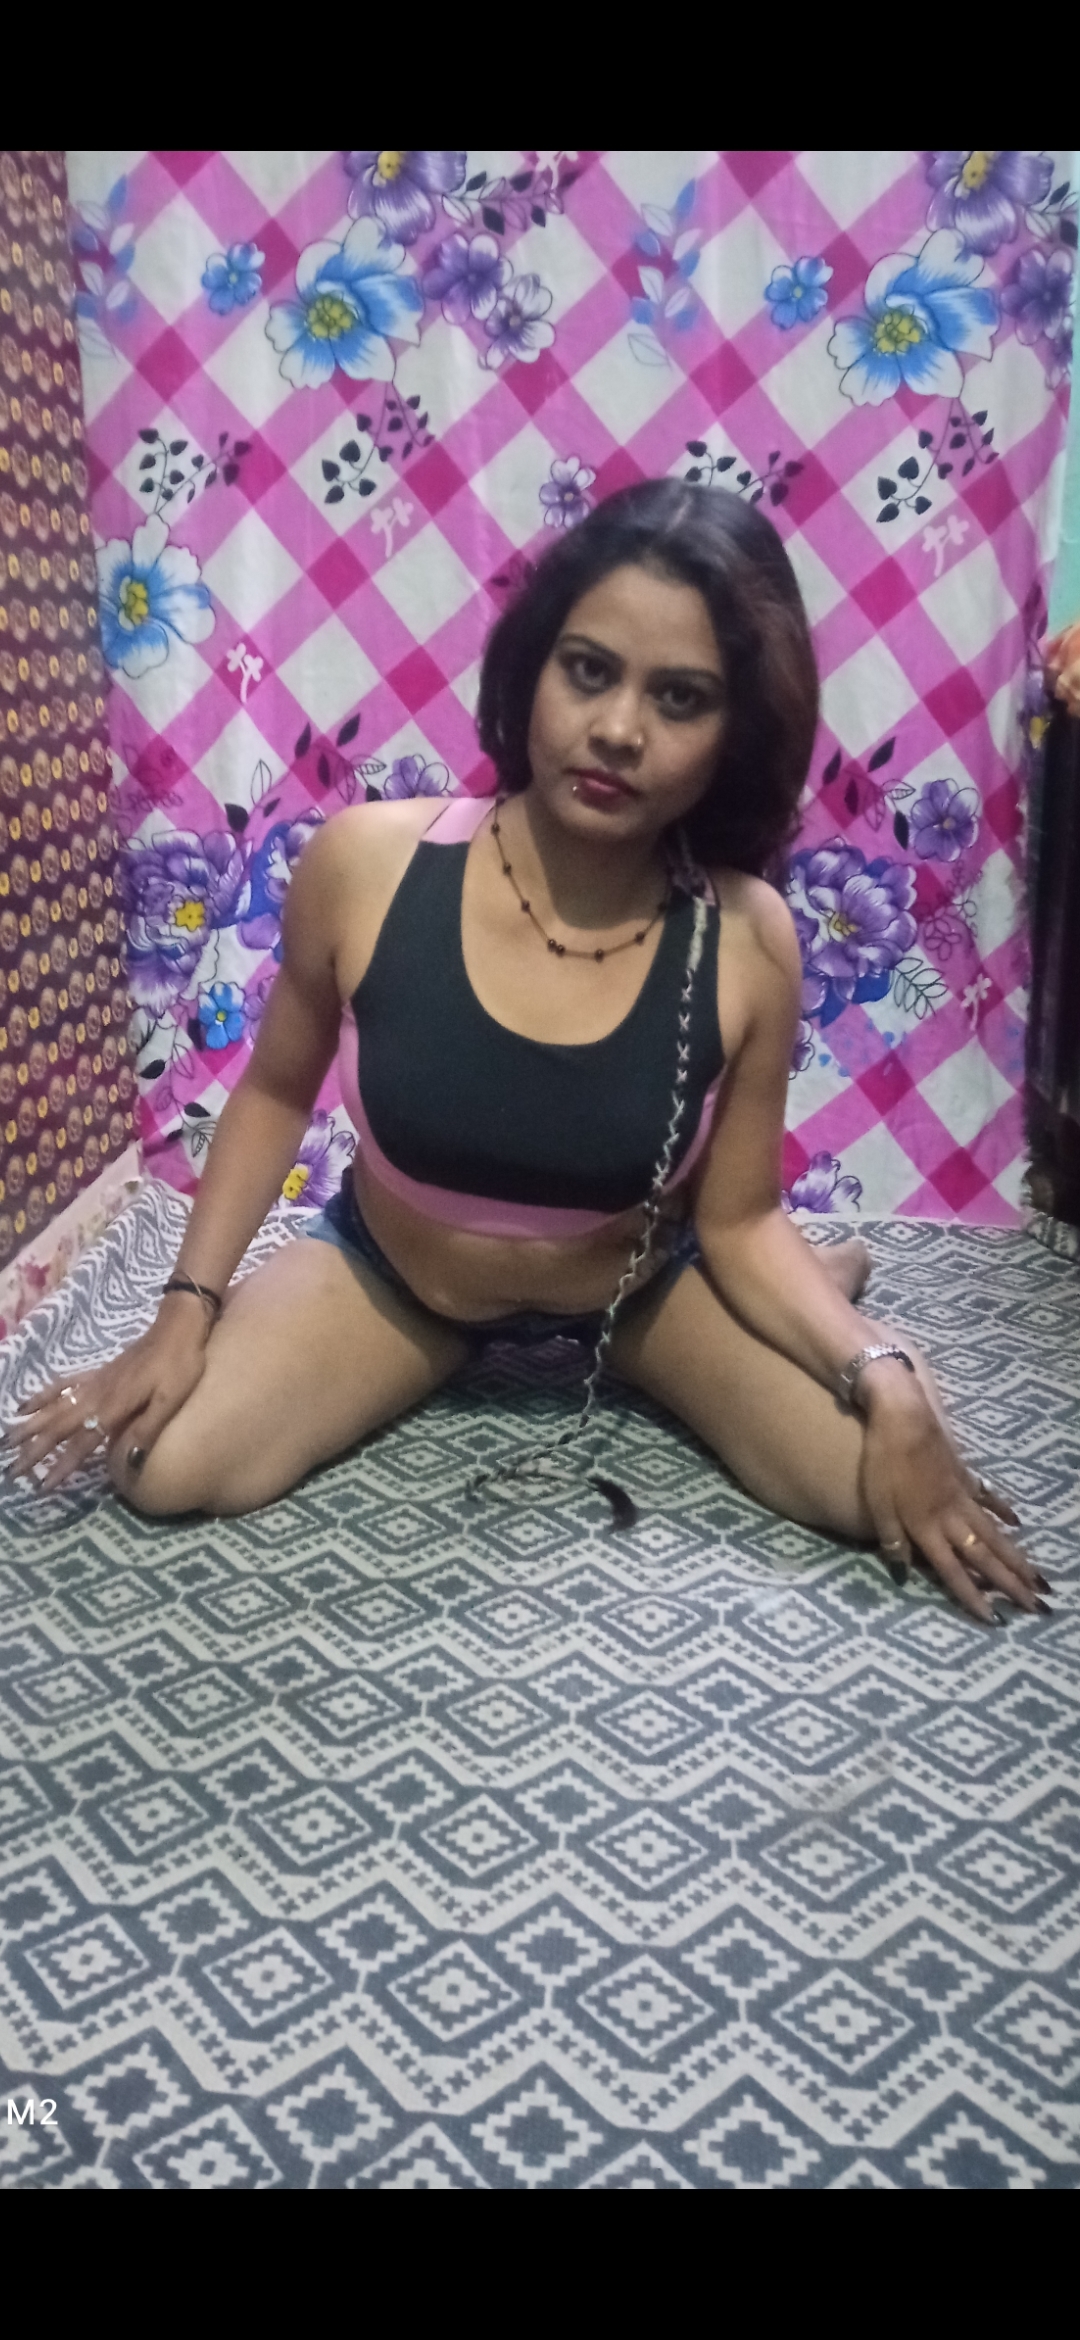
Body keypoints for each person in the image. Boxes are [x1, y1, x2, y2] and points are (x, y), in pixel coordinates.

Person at [5, 483, 1046, 1626]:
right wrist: (183, 1314)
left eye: (681, 698)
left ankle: (829, 1300)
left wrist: (881, 1378)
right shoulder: (365, 866)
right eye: (589, 671)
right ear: (530, 671)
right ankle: (479, 1335)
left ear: (736, 732)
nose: (619, 731)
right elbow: (272, 1093)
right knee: (160, 1463)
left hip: (638, 1288)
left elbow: (741, 1218)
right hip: (399, 1280)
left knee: (880, 1479)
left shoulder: (749, 938)